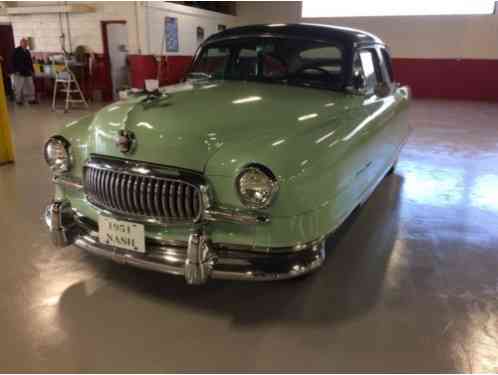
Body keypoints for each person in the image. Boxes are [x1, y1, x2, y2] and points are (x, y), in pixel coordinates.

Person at [11, 38, 37, 105]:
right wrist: (15, 70)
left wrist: (32, 71)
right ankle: (18, 100)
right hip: (19, 72)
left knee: (30, 86)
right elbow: (12, 61)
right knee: (19, 87)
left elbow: (30, 62)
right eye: (24, 43)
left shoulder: (27, 51)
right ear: (20, 43)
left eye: (26, 43)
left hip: (27, 71)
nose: (25, 44)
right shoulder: (16, 51)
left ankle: (31, 99)